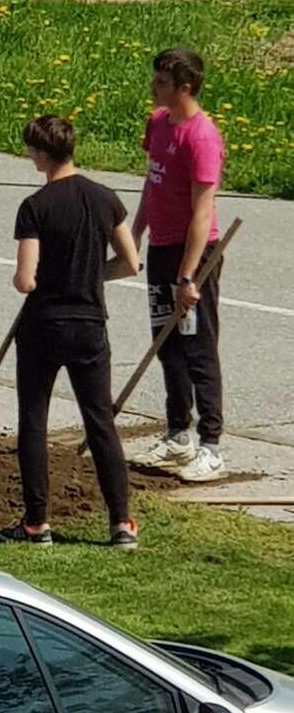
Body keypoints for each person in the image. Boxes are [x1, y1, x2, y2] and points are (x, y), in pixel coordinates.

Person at [0, 116, 141, 550]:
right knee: (100, 421)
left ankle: (36, 523)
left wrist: (29, 277)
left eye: (31, 150)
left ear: (42, 154)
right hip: (89, 324)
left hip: (43, 324)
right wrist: (92, 274)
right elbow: (131, 262)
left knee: (34, 419)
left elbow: (26, 280)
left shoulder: (35, 206)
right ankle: (121, 523)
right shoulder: (105, 198)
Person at [129, 47, 226, 482]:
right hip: (161, 248)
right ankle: (177, 433)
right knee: (166, 341)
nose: (153, 88)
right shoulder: (157, 123)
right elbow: (152, 185)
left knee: (197, 345)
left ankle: (211, 445)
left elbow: (202, 213)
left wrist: (188, 276)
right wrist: (135, 233)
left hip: (195, 253)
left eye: (162, 82)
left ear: (185, 88)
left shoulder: (201, 137)